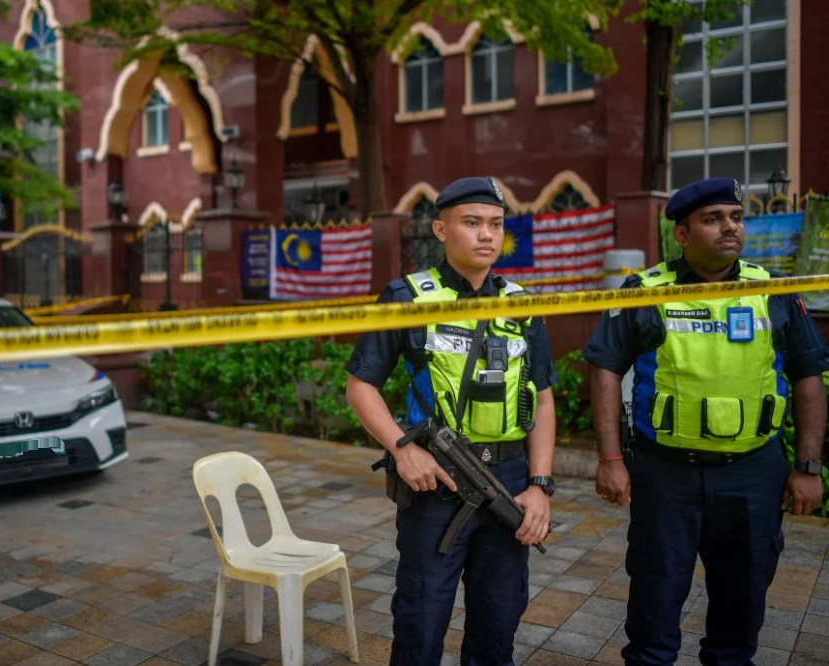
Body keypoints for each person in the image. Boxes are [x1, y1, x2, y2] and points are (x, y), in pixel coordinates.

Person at [582, 177, 828, 666]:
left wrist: (808, 465)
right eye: (712, 219)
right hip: (665, 474)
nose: (728, 228)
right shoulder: (644, 292)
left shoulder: (774, 291)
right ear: (682, 234)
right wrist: (610, 458)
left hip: (752, 474)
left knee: (741, 612)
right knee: (653, 612)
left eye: (735, 218)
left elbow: (807, 377)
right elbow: (605, 368)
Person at [345, 176, 558, 666]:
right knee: (421, 624)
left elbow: (543, 400)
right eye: (472, 223)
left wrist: (540, 485)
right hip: (437, 484)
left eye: (496, 225)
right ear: (441, 230)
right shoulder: (407, 299)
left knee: (498, 625)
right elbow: (361, 385)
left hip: (506, 482)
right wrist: (402, 448)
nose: (487, 235)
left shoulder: (522, 306)